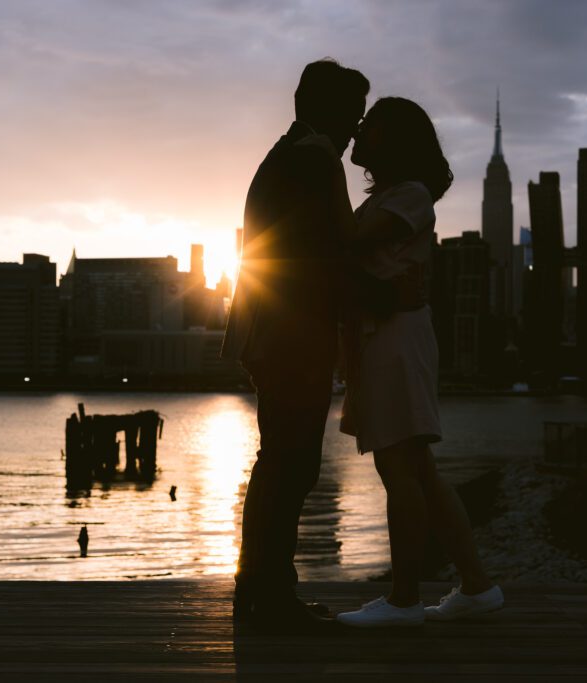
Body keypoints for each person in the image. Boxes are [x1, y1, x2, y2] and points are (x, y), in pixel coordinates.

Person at [335, 97, 503, 628]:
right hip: (386, 335)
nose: (359, 130)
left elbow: (347, 241)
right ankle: (476, 586)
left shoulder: (410, 195)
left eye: (371, 124)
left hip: (395, 337)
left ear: (396, 140)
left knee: (397, 466)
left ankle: (405, 600)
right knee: (420, 471)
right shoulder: (390, 196)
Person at [221, 59, 369, 632]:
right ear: (327, 109)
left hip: (274, 329)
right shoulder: (313, 159)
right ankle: (268, 596)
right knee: (290, 463)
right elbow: (326, 254)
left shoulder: (286, 157)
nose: (356, 129)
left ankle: (260, 589)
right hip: (291, 331)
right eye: (352, 115)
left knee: (281, 462)